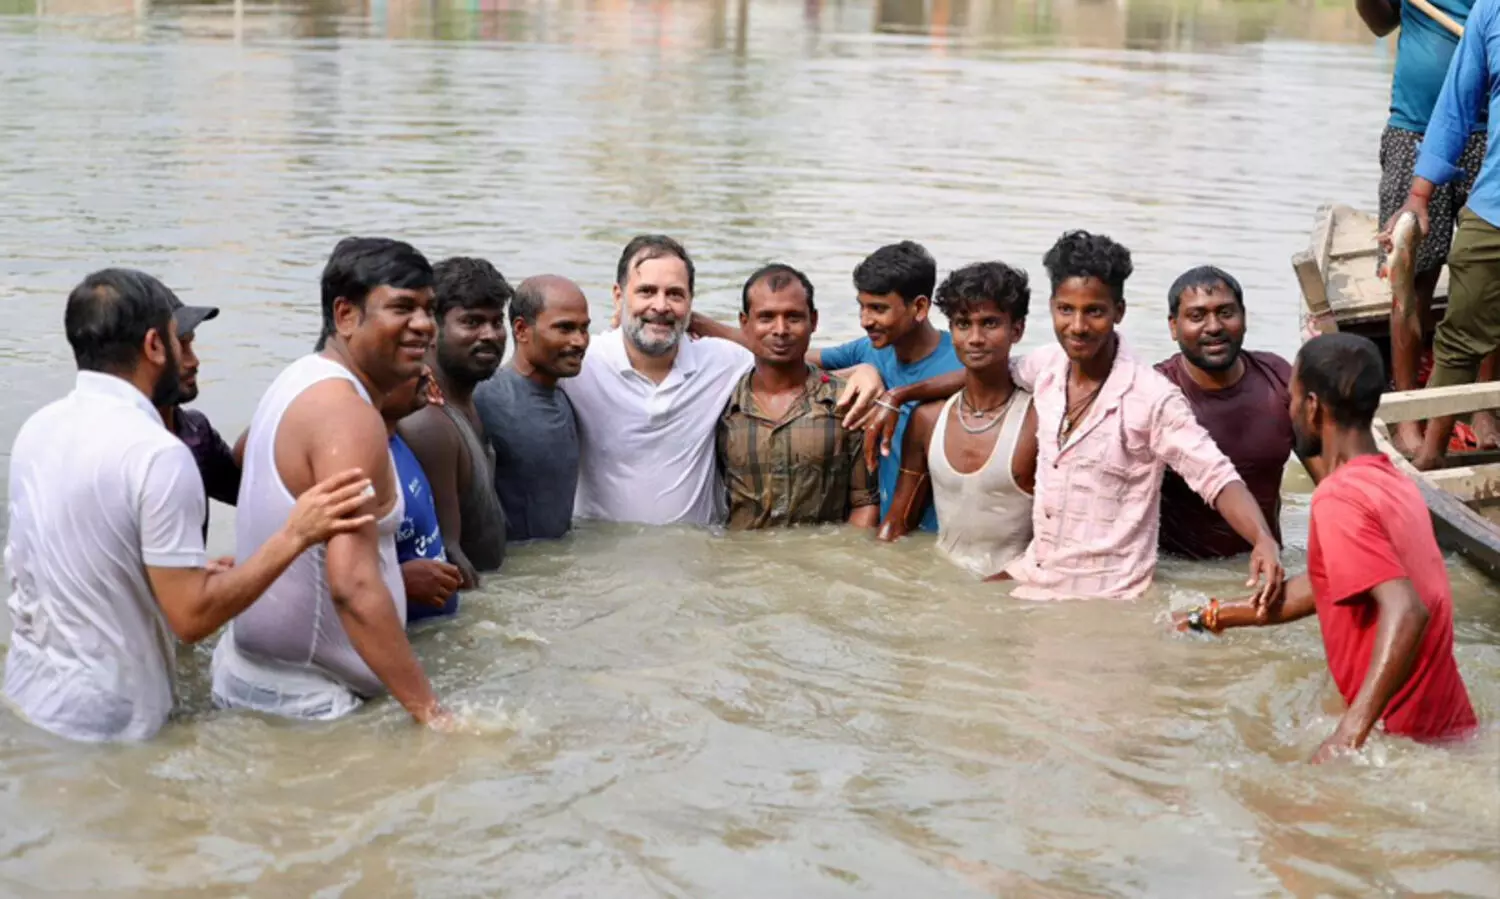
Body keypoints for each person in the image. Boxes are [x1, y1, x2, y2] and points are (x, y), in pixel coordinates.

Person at [4, 268, 372, 743]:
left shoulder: (40, 427)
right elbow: (192, 619)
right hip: (111, 721)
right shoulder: (158, 453)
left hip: (29, 695)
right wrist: (294, 535)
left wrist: (192, 569)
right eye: (184, 342)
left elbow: (80, 559)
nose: (190, 357)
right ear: (156, 345)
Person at [874, 232, 1285, 600]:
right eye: (1065, 310)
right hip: (1036, 574)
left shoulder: (1152, 398)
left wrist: (1262, 540)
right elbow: (987, 369)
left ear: (1119, 311)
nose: (1078, 327)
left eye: (1095, 312)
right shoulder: (1048, 367)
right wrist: (901, 394)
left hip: (1108, 595)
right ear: (1052, 308)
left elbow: (1215, 475)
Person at [1177, 333, 1478, 760]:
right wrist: (1210, 616)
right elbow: (1324, 585)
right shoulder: (1392, 482)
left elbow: (1407, 609)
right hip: (1449, 730)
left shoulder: (1338, 498)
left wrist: (1348, 734)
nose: (1291, 410)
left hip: (1400, 742)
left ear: (1314, 407)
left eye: (1294, 398)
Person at [211, 237, 449, 727]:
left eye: (430, 309)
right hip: (310, 705)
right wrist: (431, 713)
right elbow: (353, 585)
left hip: (251, 675)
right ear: (345, 315)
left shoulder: (300, 378)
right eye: (402, 308)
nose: (424, 325)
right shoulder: (348, 416)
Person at [565, 235, 877, 526]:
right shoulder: (579, 365)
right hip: (601, 558)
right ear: (618, 295)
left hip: (698, 559)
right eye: (646, 291)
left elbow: (788, 369)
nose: (660, 305)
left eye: (675, 294)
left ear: (690, 302)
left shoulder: (720, 362)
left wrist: (866, 372)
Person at [1360, 0, 1496, 457]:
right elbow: (1380, 22)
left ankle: (1482, 405)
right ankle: (1406, 414)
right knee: (1410, 276)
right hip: (1416, 129)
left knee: (1487, 286)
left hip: (1490, 137)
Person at [877, 261, 1038, 578]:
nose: (975, 338)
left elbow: (1056, 543)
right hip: (942, 584)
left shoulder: (1039, 421)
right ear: (951, 330)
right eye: (963, 324)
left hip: (1012, 595)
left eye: (990, 323)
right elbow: (898, 521)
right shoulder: (928, 419)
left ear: (1016, 330)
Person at [1155, 266, 1318, 559]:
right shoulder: (1155, 392)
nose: (1214, 326)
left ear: (1244, 318)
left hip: (1267, 562)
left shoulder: (1278, 378)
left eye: (1226, 313)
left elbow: (1329, 474)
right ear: (1173, 326)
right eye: (1197, 316)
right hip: (1179, 571)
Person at [716, 264, 879, 529]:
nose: (780, 330)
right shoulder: (720, 403)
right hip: (741, 563)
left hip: (819, 563)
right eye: (766, 317)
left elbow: (866, 503)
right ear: (745, 323)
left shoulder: (847, 402)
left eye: (793, 317)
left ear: (813, 321)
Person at [815, 242, 963, 532]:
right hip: (879, 532)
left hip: (936, 538)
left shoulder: (961, 361)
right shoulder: (869, 351)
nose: (865, 321)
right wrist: (860, 369)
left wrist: (899, 394)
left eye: (878, 309)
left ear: (919, 307)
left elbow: (1005, 371)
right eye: (862, 306)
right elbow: (787, 359)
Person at [397, 256, 511, 581]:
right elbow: (449, 558)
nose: (489, 334)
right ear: (431, 328)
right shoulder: (430, 423)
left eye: (496, 321)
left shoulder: (471, 403)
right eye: (472, 322)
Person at [474, 275, 589, 542]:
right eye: (565, 328)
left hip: (556, 568)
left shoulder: (567, 395)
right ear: (522, 330)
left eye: (584, 329)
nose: (580, 341)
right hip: (510, 575)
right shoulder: (486, 397)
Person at [154, 296, 242, 542]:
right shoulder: (117, 448)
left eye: (191, 345)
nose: (194, 361)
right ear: (150, 349)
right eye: (181, 347)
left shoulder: (195, 433)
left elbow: (248, 494)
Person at [384, 366, 464, 623]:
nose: (427, 371)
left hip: (439, 635)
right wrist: (398, 582)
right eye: (409, 361)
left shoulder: (399, 438)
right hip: (402, 638)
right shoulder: (358, 459)